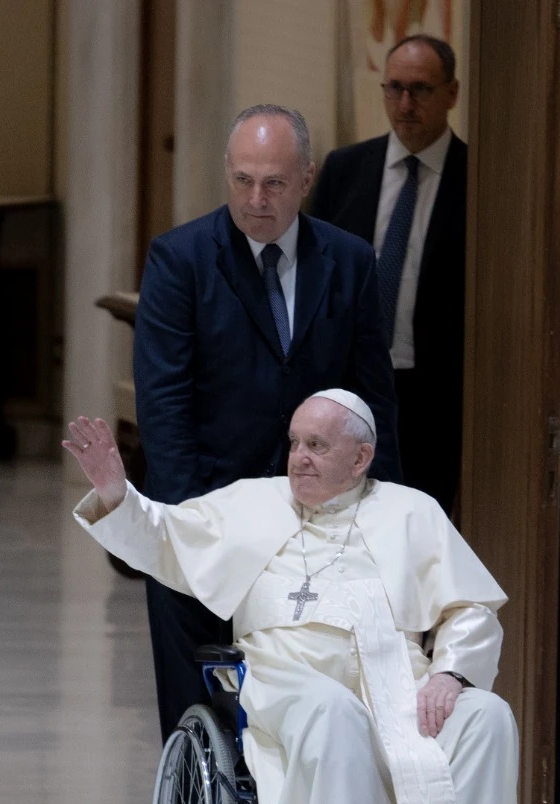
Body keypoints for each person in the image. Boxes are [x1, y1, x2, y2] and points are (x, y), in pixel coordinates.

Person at [62, 390, 518, 804]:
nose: (299, 456)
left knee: (487, 717)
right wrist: (115, 490)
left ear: (361, 458)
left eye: (318, 445)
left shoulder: (412, 511)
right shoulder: (249, 504)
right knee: (334, 713)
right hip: (286, 680)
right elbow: (162, 536)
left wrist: (452, 675)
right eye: (295, 443)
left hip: (401, 681)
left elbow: (469, 607)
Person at [133, 103, 403, 741]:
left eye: (275, 183)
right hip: (205, 515)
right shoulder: (180, 261)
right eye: (243, 180)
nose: (257, 199)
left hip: (318, 522)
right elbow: (165, 405)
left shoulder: (349, 261)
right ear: (227, 175)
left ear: (307, 179)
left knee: (308, 708)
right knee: (200, 717)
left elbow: (372, 399)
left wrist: (384, 516)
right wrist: (199, 526)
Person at [309, 35, 466, 512]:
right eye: (394, 88)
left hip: (433, 394)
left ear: (451, 94)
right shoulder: (345, 169)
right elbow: (315, 275)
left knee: (417, 524)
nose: (404, 104)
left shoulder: (477, 178)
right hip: (352, 383)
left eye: (419, 89)